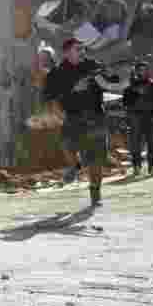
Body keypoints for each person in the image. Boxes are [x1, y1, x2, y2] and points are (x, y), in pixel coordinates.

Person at [42, 38, 124, 207]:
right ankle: (75, 167)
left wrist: (109, 74)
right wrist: (72, 89)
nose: (82, 52)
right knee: (67, 146)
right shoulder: (57, 73)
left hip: (95, 116)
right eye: (77, 49)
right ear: (66, 52)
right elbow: (49, 98)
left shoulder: (93, 65)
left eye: (83, 49)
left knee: (96, 159)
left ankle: (95, 192)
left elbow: (114, 82)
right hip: (72, 117)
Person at [123, 60, 153, 177]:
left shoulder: (152, 84)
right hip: (135, 117)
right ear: (136, 71)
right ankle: (136, 167)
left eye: (144, 70)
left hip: (150, 116)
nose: (142, 72)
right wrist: (135, 92)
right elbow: (126, 103)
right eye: (140, 70)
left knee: (152, 143)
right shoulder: (129, 87)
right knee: (135, 143)